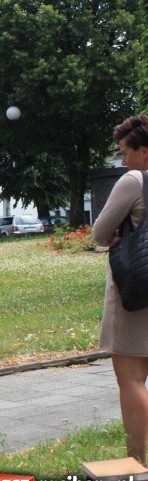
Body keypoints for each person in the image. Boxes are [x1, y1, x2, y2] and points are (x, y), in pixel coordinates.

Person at [93, 114, 148, 463]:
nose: (123, 161)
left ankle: (137, 461)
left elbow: (100, 232)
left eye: (125, 152)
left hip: (137, 291)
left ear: (144, 152)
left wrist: (114, 238)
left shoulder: (134, 180)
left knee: (132, 378)